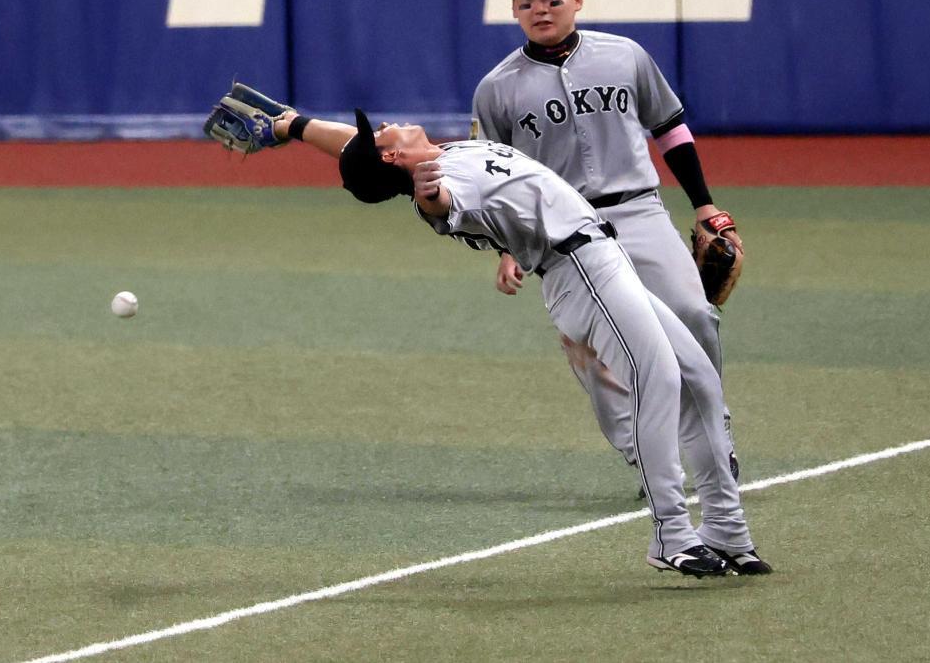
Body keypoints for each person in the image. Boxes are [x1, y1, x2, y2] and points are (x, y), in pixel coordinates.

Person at [243, 101, 771, 577]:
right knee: (657, 380)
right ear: (392, 158)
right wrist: (427, 193)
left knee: (699, 379)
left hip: (605, 259)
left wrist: (296, 125)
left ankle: (725, 527)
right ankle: (671, 533)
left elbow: (355, 149)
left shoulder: (445, 151)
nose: (384, 125)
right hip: (580, 272)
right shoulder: (439, 180)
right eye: (380, 134)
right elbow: (439, 202)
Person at [471, 0, 743, 484]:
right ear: (514, 10)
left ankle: (715, 431)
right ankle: (646, 455)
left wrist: (704, 203)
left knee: (694, 313)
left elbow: (670, 128)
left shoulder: (625, 56)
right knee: (591, 349)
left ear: (576, 0)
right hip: (560, 232)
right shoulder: (496, 88)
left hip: (639, 209)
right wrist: (506, 248)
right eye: (527, 1)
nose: (541, 9)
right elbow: (492, 177)